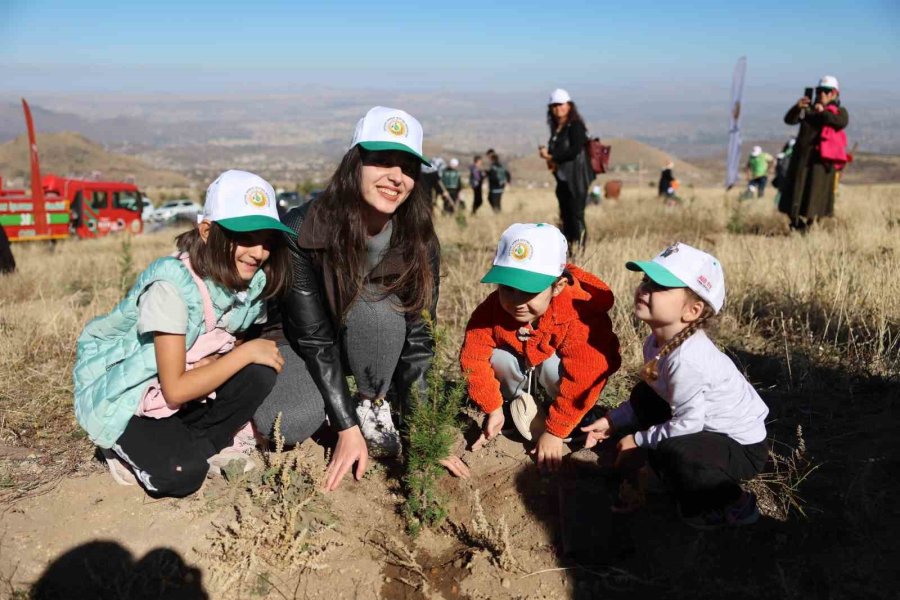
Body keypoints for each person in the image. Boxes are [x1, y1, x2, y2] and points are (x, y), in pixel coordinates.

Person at [253, 106, 470, 491]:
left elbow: (420, 336)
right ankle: (336, 410)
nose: (395, 177)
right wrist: (344, 426)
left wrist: (420, 430)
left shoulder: (418, 238)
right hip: (302, 343)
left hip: (369, 339)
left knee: (377, 308)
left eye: (406, 167)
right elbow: (313, 338)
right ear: (355, 163)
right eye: (381, 161)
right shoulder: (301, 228)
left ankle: (373, 404)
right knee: (283, 422)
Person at [72, 170, 293, 497]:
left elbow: (235, 339)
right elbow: (174, 389)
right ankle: (128, 446)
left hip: (185, 390)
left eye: (266, 240)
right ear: (207, 231)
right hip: (134, 394)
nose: (258, 252)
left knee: (260, 373)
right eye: (245, 237)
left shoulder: (249, 283)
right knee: (181, 474)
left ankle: (193, 442)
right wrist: (240, 354)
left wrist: (229, 356)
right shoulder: (172, 288)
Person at [582, 242, 769, 528]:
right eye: (646, 280)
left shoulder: (688, 359)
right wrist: (612, 421)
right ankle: (661, 470)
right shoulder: (654, 343)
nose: (645, 288)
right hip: (704, 427)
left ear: (692, 310)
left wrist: (640, 440)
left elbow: (690, 424)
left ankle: (731, 501)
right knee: (645, 393)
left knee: (676, 452)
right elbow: (655, 398)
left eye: (660, 285)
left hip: (741, 447)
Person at [461, 223, 621, 471]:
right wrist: (491, 407)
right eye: (507, 288)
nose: (516, 302)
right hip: (525, 369)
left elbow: (585, 377)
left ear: (557, 286)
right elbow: (473, 356)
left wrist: (556, 432)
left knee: (552, 366)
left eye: (528, 291)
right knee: (498, 357)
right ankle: (513, 405)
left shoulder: (578, 314)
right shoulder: (493, 308)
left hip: (566, 380)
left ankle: (575, 419)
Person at [778, 75, 849, 230]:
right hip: (802, 160)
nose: (822, 94)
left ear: (835, 93)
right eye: (820, 91)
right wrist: (798, 107)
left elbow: (841, 122)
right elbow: (789, 120)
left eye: (827, 91)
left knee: (816, 197)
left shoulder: (838, 111)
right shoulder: (808, 110)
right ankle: (797, 225)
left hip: (821, 163)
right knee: (795, 194)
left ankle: (812, 226)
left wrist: (823, 112)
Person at [539, 89, 594, 250]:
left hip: (577, 178)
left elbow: (575, 149)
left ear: (569, 105)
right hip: (563, 178)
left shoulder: (575, 125)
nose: (558, 108)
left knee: (576, 214)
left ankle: (580, 248)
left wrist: (552, 157)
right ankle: (569, 247)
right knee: (566, 215)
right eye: (554, 105)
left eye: (561, 104)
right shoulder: (558, 127)